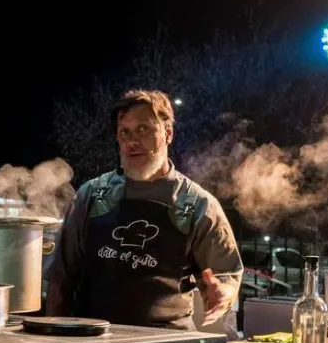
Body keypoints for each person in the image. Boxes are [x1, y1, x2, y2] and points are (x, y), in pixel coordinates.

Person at [45, 89, 242, 330]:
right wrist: (52, 340)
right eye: (124, 133)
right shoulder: (92, 195)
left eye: (143, 129)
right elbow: (60, 281)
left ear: (168, 133)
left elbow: (225, 276)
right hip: (92, 342)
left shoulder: (198, 203)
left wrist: (224, 293)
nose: (132, 142)